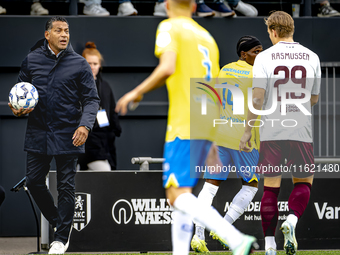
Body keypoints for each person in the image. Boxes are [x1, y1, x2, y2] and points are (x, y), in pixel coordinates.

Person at [116, 0, 258, 254]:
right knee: (181, 197)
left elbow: (167, 67)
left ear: (167, 5)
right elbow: (212, 92)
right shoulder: (207, 38)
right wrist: (213, 136)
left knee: (176, 194)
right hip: (204, 124)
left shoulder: (170, 27)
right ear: (194, 7)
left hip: (184, 123)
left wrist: (135, 93)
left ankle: (234, 237)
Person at [8, 16, 100, 254]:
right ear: (47, 34)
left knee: (66, 187)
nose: (64, 35)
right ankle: (60, 223)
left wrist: (84, 126)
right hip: (38, 133)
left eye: (67, 31)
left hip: (70, 134)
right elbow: (18, 93)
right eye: (58, 30)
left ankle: (60, 239)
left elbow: (91, 100)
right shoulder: (31, 60)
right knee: (34, 182)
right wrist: (17, 109)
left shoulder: (79, 64)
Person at [239, 11, 321, 255]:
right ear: (292, 29)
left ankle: (270, 246)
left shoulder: (264, 58)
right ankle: (292, 220)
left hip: (272, 130)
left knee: (271, 187)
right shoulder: (312, 57)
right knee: (304, 181)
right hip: (300, 129)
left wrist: (246, 132)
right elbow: (314, 99)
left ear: (273, 31)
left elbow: (257, 98)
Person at [191, 35, 263, 253]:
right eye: (256, 51)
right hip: (246, 138)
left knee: (210, 185)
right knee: (250, 185)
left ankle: (197, 237)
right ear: (244, 54)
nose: (260, 55)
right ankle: (224, 228)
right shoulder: (257, 73)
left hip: (221, 134)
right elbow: (259, 102)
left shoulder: (224, 70)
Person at [78, 42, 122, 171]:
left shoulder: (105, 87)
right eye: (89, 64)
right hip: (77, 142)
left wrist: (115, 129)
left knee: (105, 176)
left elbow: (112, 111)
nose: (92, 67)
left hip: (98, 144)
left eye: (95, 64)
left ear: (100, 65)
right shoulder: (74, 85)